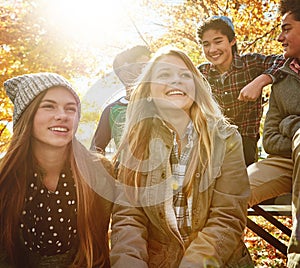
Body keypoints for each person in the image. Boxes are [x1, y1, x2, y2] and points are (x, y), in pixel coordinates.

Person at [110, 46, 253, 267]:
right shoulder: (136, 141)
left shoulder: (225, 138)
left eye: (185, 75)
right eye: (165, 75)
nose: (176, 80)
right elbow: (128, 216)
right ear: (147, 91)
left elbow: (227, 217)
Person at [0, 73, 114, 268]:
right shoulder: (4, 177)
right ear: (26, 115)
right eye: (48, 106)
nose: (62, 115)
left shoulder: (99, 172)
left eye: (71, 109)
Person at [246, 0, 300, 266]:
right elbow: (269, 138)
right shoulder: (282, 79)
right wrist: (295, 128)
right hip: (285, 161)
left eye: (286, 28)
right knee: (227, 192)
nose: (280, 37)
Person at [196, 15, 285, 166]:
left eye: (218, 41)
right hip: (212, 141)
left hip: (245, 142)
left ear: (232, 41)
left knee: (244, 184)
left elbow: (284, 60)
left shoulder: (251, 63)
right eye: (206, 44)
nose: (212, 49)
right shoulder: (201, 72)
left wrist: (260, 81)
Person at [91, 45, 151, 154]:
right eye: (142, 68)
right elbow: (95, 152)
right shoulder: (112, 111)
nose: (148, 73)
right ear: (125, 75)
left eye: (149, 68)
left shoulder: (163, 105)